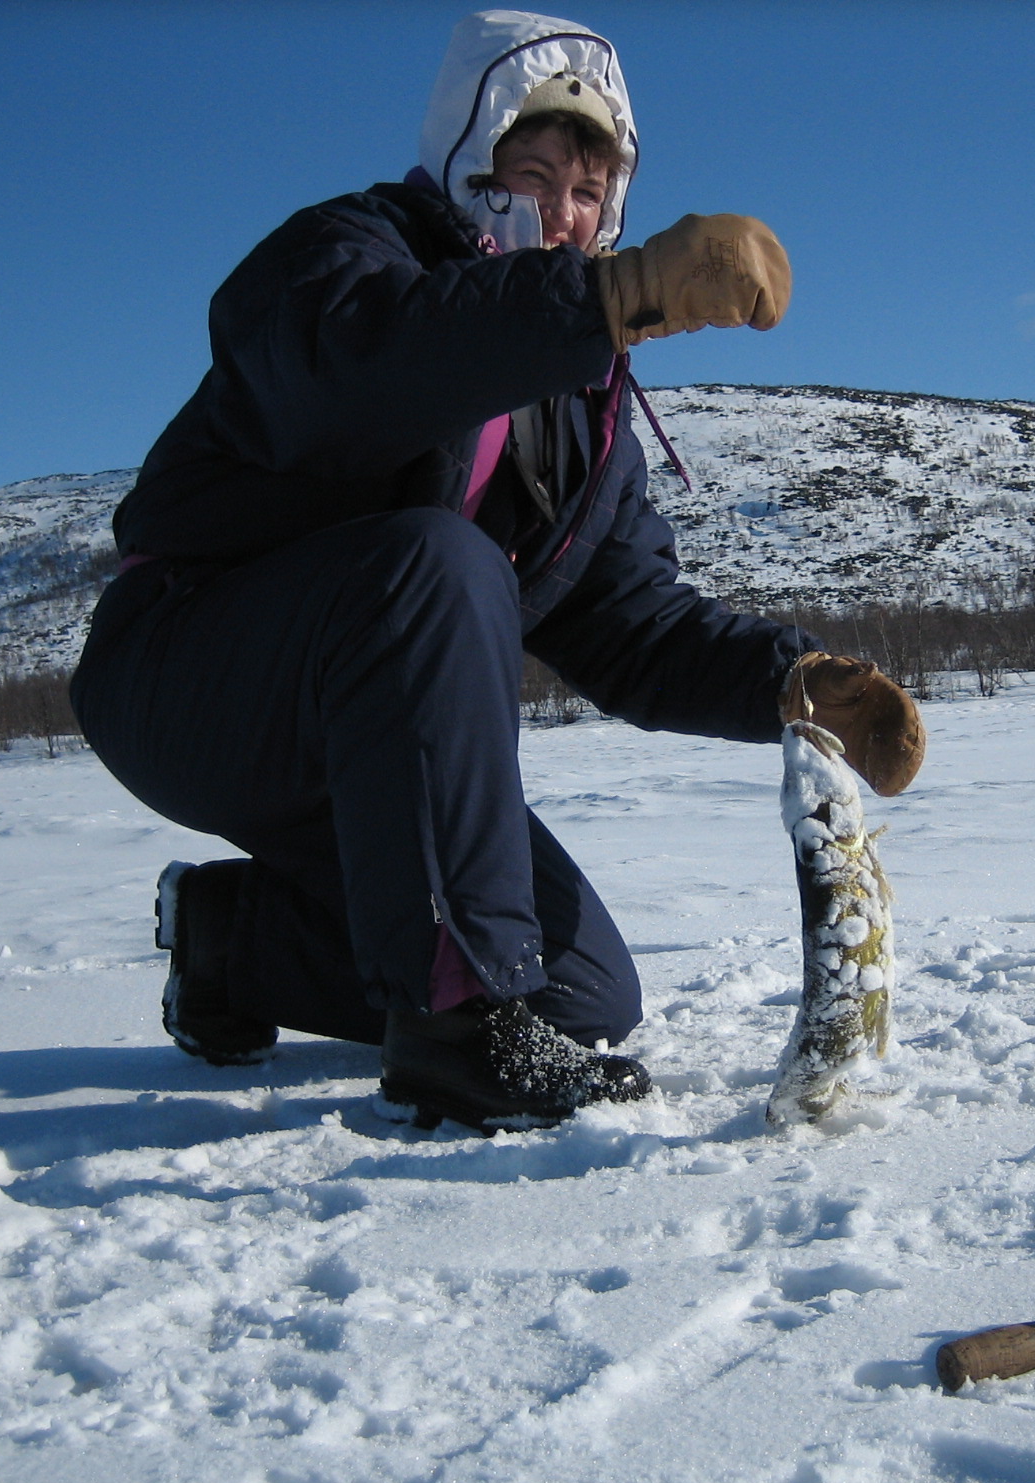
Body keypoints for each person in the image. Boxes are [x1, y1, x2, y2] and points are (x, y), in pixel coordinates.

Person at [70, 10, 925, 1131]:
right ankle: (453, 1034)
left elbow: (629, 621)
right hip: (192, 675)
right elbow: (361, 363)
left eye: (588, 188)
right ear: (471, 165)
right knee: (435, 561)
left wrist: (793, 684)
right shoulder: (349, 256)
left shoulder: (577, 413)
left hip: (371, 747)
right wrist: (609, 301)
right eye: (532, 175)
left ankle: (238, 943)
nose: (563, 216)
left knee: (580, 990)